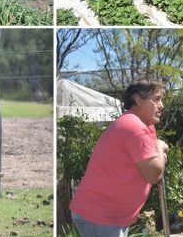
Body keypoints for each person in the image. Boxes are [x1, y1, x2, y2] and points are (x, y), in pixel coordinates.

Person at [69, 80, 170, 237]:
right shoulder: (134, 127)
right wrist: (160, 147)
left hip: (109, 218)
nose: (162, 105)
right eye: (157, 99)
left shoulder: (143, 125)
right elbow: (154, 174)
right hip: (101, 218)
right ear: (138, 99)